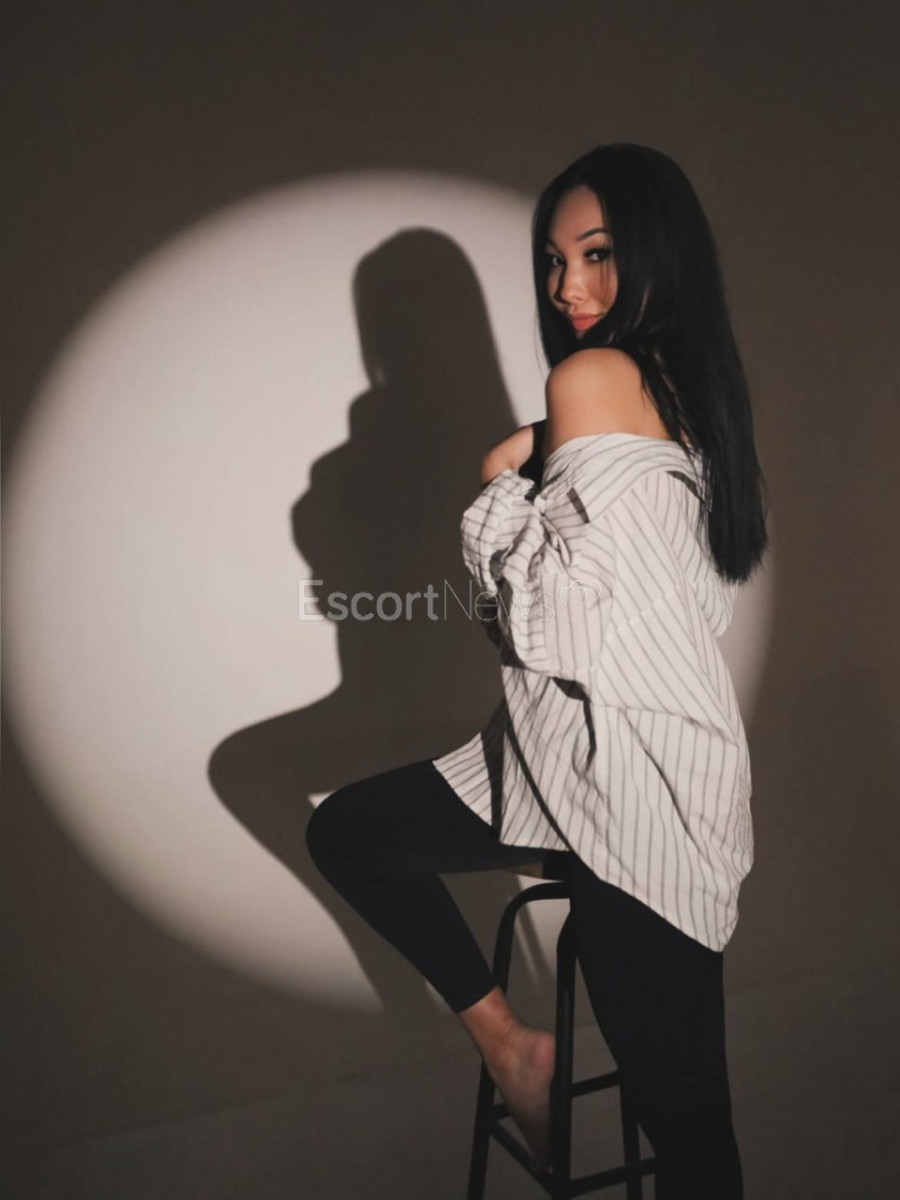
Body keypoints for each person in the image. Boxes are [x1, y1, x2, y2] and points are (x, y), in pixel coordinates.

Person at [306, 142, 769, 1199]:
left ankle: (516, 1044)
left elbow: (547, 630)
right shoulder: (691, 397)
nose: (568, 288)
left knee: (694, 1146)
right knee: (351, 832)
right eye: (555, 261)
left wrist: (497, 478)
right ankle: (514, 1047)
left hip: (636, 793)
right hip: (569, 763)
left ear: (659, 253)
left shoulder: (591, 381)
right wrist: (538, 448)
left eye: (598, 255)